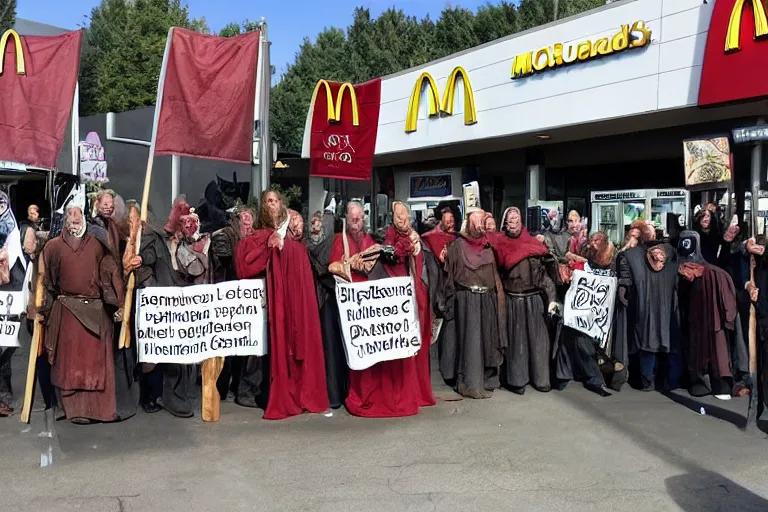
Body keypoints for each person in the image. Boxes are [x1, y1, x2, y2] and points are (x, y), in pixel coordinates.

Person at [236, 193, 330, 420]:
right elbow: (244, 265)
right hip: (263, 303)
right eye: (267, 201)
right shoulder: (257, 238)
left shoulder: (296, 245)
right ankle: (252, 392)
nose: (272, 204)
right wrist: (267, 248)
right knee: (260, 354)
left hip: (289, 303)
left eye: (275, 200)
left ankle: (294, 390)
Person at [39, 205, 127, 424]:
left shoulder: (98, 244)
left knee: (97, 363)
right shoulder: (53, 247)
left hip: (96, 311)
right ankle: (74, 410)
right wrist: (40, 308)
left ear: (85, 219)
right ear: (65, 221)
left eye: (78, 215)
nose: (74, 219)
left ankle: (102, 410)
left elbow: (111, 270)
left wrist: (120, 302)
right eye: (70, 215)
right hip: (67, 310)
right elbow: (44, 280)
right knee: (70, 364)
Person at [134, 198, 196, 417]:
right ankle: (149, 396)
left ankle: (173, 396)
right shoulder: (155, 238)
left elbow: (193, 269)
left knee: (176, 354)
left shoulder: (187, 244)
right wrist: (141, 259)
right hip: (157, 305)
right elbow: (148, 257)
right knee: (153, 355)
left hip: (179, 304)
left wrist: (186, 244)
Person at [489, 207, 556, 395]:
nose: (513, 222)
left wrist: (551, 299)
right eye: (510, 220)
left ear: (521, 221)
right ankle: (517, 380)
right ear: (505, 223)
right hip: (513, 299)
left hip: (534, 299)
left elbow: (546, 275)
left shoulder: (534, 243)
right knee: (516, 342)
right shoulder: (499, 244)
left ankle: (541, 379)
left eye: (516, 219)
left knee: (538, 341)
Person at [444, 211, 507, 398]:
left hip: (487, 299)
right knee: (470, 343)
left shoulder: (490, 246)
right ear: (469, 224)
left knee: (488, 341)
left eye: (481, 221)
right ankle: (468, 382)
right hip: (466, 301)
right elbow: (449, 277)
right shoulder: (456, 246)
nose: (479, 225)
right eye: (475, 222)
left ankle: (488, 379)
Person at [379, 202, 435, 409]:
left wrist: (417, 249)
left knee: (416, 343)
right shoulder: (387, 235)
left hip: (416, 296)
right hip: (396, 300)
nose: (402, 219)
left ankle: (418, 390)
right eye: (398, 215)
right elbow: (388, 256)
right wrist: (405, 247)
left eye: (405, 215)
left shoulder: (416, 235)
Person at [554, 232, 621, 396]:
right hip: (581, 313)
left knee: (587, 344)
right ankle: (567, 375)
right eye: (591, 241)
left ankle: (593, 376)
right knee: (569, 336)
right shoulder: (582, 265)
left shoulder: (614, 264)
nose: (593, 245)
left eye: (597, 241)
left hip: (601, 315)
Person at [210, 205, 264, 408]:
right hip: (228, 299)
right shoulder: (225, 236)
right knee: (227, 346)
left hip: (247, 302)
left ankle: (239, 389)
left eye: (251, 216)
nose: (248, 220)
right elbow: (225, 259)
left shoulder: (253, 237)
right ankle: (221, 387)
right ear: (236, 219)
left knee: (245, 347)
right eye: (244, 216)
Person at [619, 233, 681, 391]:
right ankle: (666, 381)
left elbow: (624, 275)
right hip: (667, 309)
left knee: (646, 342)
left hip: (645, 308)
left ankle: (648, 381)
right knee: (667, 343)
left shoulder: (632, 256)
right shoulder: (672, 254)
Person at [422, 208, 458, 382]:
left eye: (452, 220)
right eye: (448, 220)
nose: (450, 223)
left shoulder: (458, 240)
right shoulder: (429, 239)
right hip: (434, 289)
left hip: (451, 290)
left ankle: (447, 368)